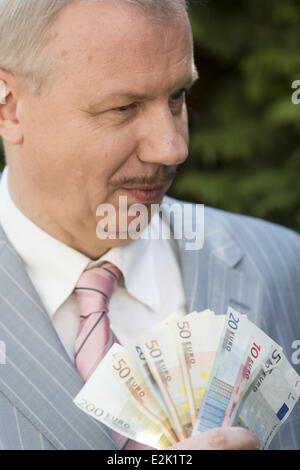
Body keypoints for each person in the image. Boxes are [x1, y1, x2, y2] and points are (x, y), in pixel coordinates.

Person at [0, 0, 299, 451]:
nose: (172, 148)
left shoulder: (286, 268)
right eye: (123, 107)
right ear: (10, 107)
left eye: (177, 96)